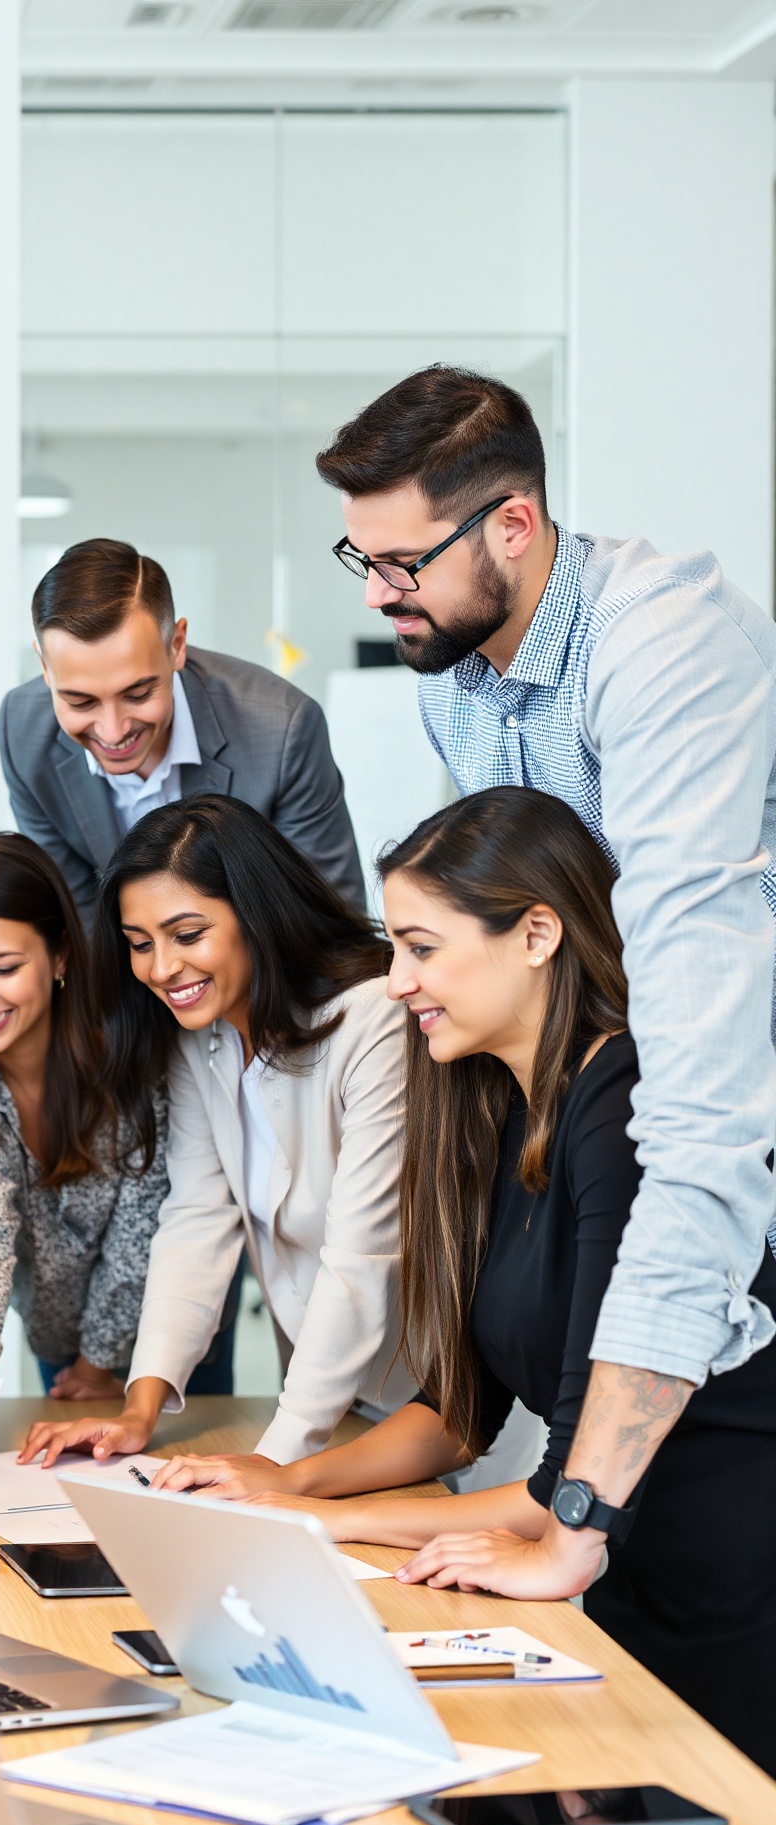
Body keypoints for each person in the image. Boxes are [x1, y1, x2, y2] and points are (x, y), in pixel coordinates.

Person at [151, 789, 776, 1772]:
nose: (396, 980)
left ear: (536, 933)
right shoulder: (505, 1105)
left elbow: (556, 1482)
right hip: (624, 1582)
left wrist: (322, 1519)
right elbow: (456, 1411)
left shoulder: (623, 1103)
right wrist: (283, 1481)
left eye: (420, 947)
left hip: (727, 1598)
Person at [317, 365, 776, 1605]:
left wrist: (574, 1516)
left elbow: (700, 1114)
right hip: (604, 1127)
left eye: (400, 562)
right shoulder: (459, 666)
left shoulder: (660, 650)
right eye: (358, 558)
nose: (377, 594)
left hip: (719, 1138)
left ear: (510, 526)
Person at [22, 795, 415, 1472]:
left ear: (255, 917)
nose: (161, 968)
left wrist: (278, 1455)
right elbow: (197, 1220)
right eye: (140, 944)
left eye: (187, 934)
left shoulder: (373, 1017)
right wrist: (139, 1409)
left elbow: (361, 1257)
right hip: (336, 1403)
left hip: (433, 1397)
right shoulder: (201, 1042)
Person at [0, 832, 167, 1399]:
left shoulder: (128, 1059)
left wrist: (100, 1361)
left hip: (170, 1345)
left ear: (59, 956)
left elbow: (141, 1229)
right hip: (59, 1354)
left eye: (2, 967)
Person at [0, 538, 365, 923]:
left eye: (138, 693)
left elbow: (331, 917)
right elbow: (76, 918)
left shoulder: (282, 729)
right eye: (80, 702)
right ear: (43, 665)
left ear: (176, 644)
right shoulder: (22, 730)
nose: (112, 731)